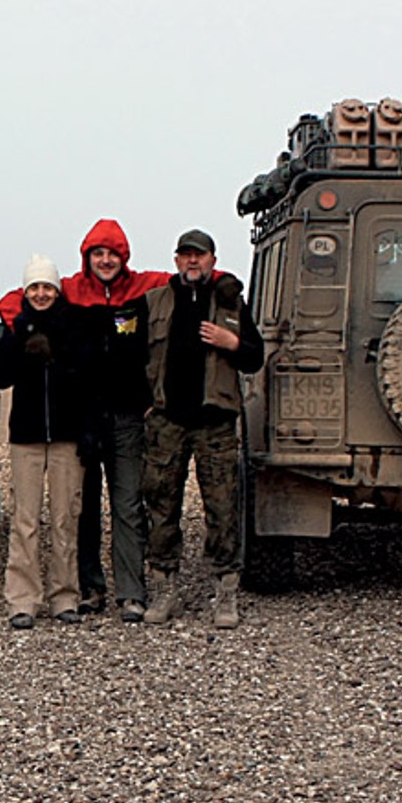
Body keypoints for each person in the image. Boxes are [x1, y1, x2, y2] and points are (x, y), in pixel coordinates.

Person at [1, 221, 171, 623]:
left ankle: (131, 592)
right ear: (87, 257)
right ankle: (90, 587)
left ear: (123, 256)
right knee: (82, 507)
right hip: (83, 418)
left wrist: (221, 280)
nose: (105, 260)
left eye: (112, 253)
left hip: (129, 416)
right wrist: (22, 326)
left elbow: (186, 276)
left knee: (128, 505)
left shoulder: (143, 287)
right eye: (98, 253)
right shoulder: (71, 289)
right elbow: (15, 300)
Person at [139, 228, 266, 628]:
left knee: (223, 508)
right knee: (161, 505)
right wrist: (145, 403)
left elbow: (256, 357)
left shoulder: (230, 302)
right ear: (176, 260)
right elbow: (132, 355)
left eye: (200, 255)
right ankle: (164, 588)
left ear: (213, 259)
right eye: (186, 255)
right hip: (168, 422)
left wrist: (233, 343)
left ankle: (225, 593)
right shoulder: (155, 302)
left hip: (216, 423)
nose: (192, 261)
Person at [0, 254, 89, 630]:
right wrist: (19, 341)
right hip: (27, 436)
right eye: (34, 287)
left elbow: (84, 374)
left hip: (66, 435)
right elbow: (1, 377)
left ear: (57, 290)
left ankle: (65, 596)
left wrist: (58, 353)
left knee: (65, 518)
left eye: (47, 287)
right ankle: (22, 599)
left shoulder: (74, 325)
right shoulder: (15, 328)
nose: (41, 294)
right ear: (26, 291)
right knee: (25, 520)